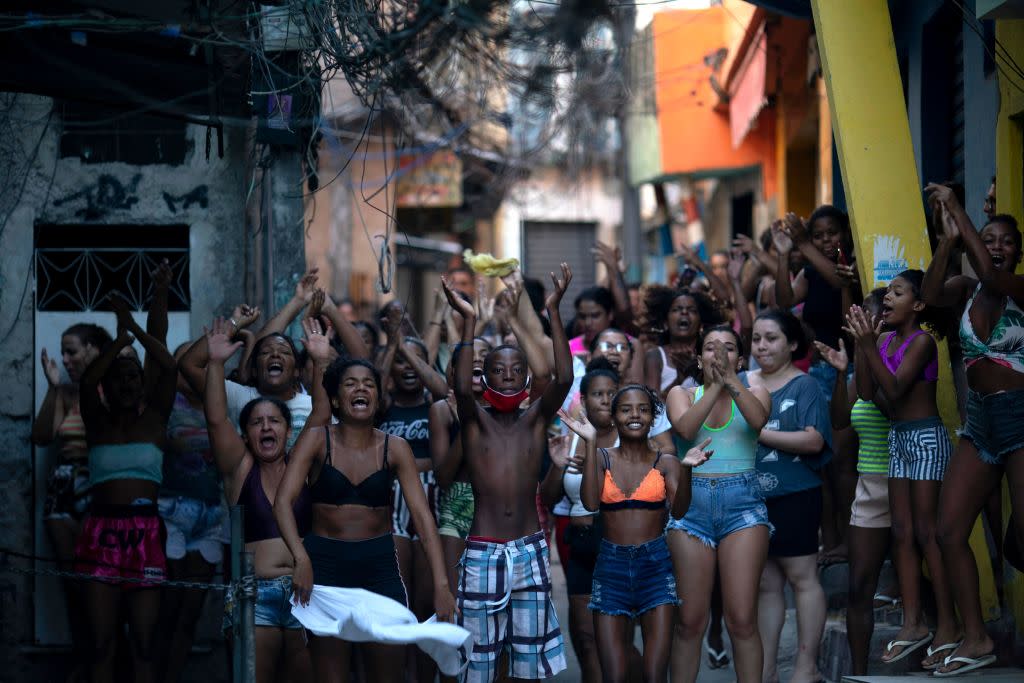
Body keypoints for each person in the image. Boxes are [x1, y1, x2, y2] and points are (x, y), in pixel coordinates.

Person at [274, 326, 455, 682]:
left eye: (369, 384)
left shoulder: (395, 447)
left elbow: (422, 518)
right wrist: (301, 557)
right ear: (337, 400)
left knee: (386, 674)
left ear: (378, 397)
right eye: (351, 383)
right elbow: (282, 502)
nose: (361, 389)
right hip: (323, 569)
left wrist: (442, 585)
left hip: (380, 569)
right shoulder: (315, 441)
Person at [440, 264, 575, 683]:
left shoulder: (534, 419)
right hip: (482, 551)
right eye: (499, 370)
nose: (509, 376)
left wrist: (553, 310)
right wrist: (468, 321)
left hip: (531, 550)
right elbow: (461, 389)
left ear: (528, 378)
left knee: (528, 659)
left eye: (518, 371)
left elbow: (564, 377)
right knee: (478, 658)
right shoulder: (475, 421)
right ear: (486, 377)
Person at [924, 183, 1023, 675]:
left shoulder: (1018, 287)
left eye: (1006, 240)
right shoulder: (966, 291)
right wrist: (947, 240)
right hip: (980, 422)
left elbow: (989, 270)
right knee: (948, 531)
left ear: (1018, 251)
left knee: (1022, 540)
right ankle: (977, 637)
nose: (997, 246)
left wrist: (957, 205)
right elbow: (926, 296)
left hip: (1022, 418)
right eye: (990, 237)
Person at [846, 268, 959, 670]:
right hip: (898, 439)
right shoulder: (883, 340)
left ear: (919, 303)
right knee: (902, 532)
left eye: (897, 292)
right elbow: (866, 392)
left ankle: (947, 626)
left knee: (928, 534)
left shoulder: (922, 342)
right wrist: (864, 345)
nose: (888, 298)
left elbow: (894, 390)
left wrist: (869, 347)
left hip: (925, 438)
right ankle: (913, 624)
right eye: (887, 292)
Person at [562, 384, 712, 683]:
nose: (635, 415)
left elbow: (679, 511)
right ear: (615, 417)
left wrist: (687, 470)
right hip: (611, 567)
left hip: (656, 566)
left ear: (653, 417)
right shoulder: (602, 458)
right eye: (626, 409)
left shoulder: (665, 462)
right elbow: (591, 503)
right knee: (614, 677)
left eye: (643, 409)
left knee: (655, 676)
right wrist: (590, 444)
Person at [202, 319, 313, 683]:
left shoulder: (303, 467)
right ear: (246, 436)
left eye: (274, 422)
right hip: (256, 597)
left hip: (306, 594)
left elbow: (324, 415)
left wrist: (322, 362)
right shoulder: (240, 467)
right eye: (257, 423)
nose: (266, 428)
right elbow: (217, 419)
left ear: (288, 429)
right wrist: (216, 364)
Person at [75, 295, 177, 683]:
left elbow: (167, 366)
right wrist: (119, 343)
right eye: (118, 377)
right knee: (101, 644)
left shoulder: (155, 419)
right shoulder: (96, 421)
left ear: (142, 383)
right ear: (108, 385)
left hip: (146, 533)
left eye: (133, 375)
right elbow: (87, 380)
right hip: (100, 532)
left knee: (144, 645)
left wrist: (134, 331)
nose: (127, 383)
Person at [666, 323, 772, 683]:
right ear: (698, 358)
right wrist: (715, 385)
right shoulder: (681, 394)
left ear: (741, 359)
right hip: (691, 506)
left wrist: (731, 381)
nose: (720, 354)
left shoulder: (755, 390)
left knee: (741, 619)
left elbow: (758, 421)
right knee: (690, 621)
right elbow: (684, 429)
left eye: (728, 348)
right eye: (710, 348)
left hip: (743, 507)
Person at [746, 310, 832, 683]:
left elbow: (814, 440)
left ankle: (805, 667)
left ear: (792, 344)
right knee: (765, 584)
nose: (761, 346)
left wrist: (760, 431)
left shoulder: (805, 386)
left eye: (771, 338)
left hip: (796, 495)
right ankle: (765, 672)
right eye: (756, 339)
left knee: (802, 578)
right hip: (750, 498)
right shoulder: (742, 383)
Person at [815, 289, 894, 676]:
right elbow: (841, 422)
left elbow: (886, 400)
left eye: (874, 316)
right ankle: (859, 673)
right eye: (863, 316)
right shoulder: (860, 362)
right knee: (859, 587)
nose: (866, 321)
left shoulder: (898, 358)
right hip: (871, 487)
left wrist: (868, 352)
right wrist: (840, 371)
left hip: (908, 481)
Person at [33, 322, 112, 678]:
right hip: (65, 488)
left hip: (103, 487)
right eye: (63, 353)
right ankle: (84, 658)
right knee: (73, 582)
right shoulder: (65, 393)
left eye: (72, 351)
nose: (65, 359)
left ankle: (103, 659)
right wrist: (52, 389)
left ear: (94, 349)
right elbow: (42, 436)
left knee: (102, 583)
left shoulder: (115, 389)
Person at [540, 366, 620, 682]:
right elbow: (548, 499)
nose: (604, 400)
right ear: (583, 400)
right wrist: (558, 467)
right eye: (597, 394)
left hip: (620, 546)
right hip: (582, 543)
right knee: (587, 641)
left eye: (611, 393)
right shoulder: (570, 437)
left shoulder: (632, 434)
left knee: (618, 644)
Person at [377, 328, 449, 682]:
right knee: (398, 603)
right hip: (391, 502)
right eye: (400, 361)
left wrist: (406, 347)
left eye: (415, 359)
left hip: (430, 499)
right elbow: (373, 384)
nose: (407, 365)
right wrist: (394, 347)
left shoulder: (435, 406)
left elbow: (444, 390)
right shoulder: (383, 406)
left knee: (425, 602)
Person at [158, 343, 229, 683]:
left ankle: (172, 676)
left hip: (211, 516)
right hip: (170, 512)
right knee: (166, 607)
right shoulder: (164, 403)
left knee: (191, 611)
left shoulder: (222, 404)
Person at [642, 286, 723, 398]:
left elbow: (718, 396)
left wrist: (694, 373)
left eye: (692, 310)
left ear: (701, 324)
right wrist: (681, 378)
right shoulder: (655, 355)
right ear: (665, 322)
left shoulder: (710, 354)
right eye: (676, 310)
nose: (684, 312)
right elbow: (652, 403)